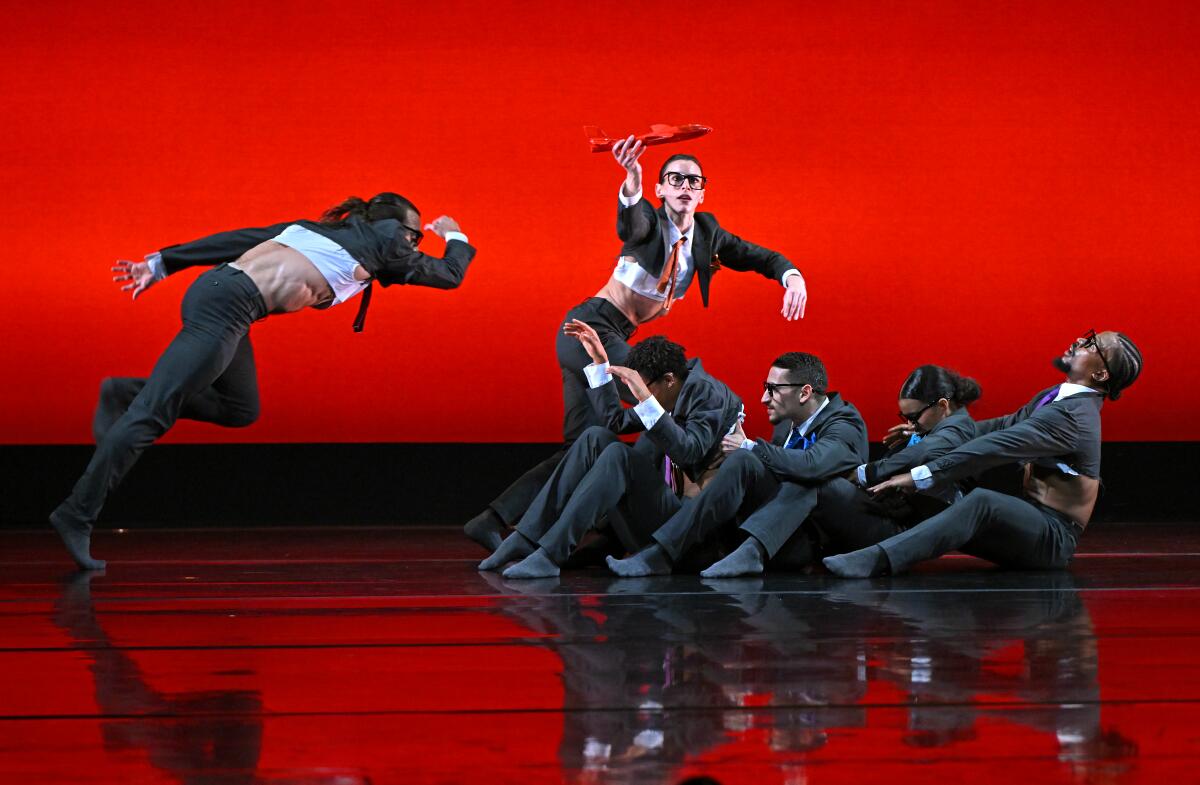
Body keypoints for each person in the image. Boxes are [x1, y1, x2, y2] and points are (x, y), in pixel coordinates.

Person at [50, 192, 477, 570]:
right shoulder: (387, 241)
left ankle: (124, 391)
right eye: (414, 237)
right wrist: (455, 236)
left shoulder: (312, 229)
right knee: (151, 416)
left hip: (222, 296)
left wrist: (164, 262)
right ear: (401, 230)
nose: (412, 245)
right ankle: (77, 513)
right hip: (229, 307)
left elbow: (239, 238)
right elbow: (449, 275)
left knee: (240, 409)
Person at [464, 135, 807, 551]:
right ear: (661, 188)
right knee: (663, 397)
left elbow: (761, 257)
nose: (685, 186)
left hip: (602, 333)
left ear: (702, 191)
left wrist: (792, 277)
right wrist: (632, 180)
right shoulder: (647, 221)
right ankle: (649, 506)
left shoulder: (707, 234)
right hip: (592, 327)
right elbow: (630, 221)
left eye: (693, 181)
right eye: (675, 179)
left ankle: (495, 519)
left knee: (584, 445)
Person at [824, 330, 1143, 577]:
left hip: (1051, 539)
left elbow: (993, 447)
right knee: (942, 494)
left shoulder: (1073, 417)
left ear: (1100, 374)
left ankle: (879, 560)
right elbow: (1002, 425)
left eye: (1091, 344)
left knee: (981, 501)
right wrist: (932, 431)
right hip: (1031, 522)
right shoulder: (1059, 396)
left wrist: (920, 475)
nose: (1079, 340)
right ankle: (850, 540)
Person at [479, 326, 742, 578]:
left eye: (644, 386)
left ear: (669, 380)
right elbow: (614, 422)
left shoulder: (709, 395)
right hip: (662, 515)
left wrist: (648, 403)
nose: (639, 395)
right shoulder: (669, 394)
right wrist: (600, 364)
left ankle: (551, 554)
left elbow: (689, 452)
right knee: (596, 437)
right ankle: (527, 536)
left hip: (690, 537)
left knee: (619, 456)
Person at [699, 365, 981, 578]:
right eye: (904, 417)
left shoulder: (958, 427)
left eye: (913, 416)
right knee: (813, 479)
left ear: (943, 406)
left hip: (904, 532)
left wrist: (863, 473)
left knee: (818, 481)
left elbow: (922, 455)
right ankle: (753, 548)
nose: (909, 423)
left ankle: (753, 550)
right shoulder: (932, 429)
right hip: (890, 516)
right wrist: (915, 432)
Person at [606, 352, 867, 577]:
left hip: (809, 543)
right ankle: (678, 551)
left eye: (773, 389)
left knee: (749, 457)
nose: (764, 398)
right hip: (771, 532)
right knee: (741, 461)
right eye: (766, 387)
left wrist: (749, 447)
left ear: (805, 392)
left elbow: (811, 465)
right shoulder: (787, 426)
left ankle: (662, 555)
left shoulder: (844, 424)